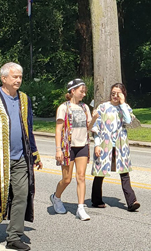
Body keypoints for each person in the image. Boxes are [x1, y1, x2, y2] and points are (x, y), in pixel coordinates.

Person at [0, 62, 42, 251]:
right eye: (14, 77)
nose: (18, 80)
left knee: (21, 194)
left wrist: (34, 153)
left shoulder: (24, 99)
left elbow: (29, 129)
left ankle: (13, 237)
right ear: (4, 79)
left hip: (20, 158)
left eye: (20, 76)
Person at [90, 83, 140, 211]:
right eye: (113, 93)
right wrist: (96, 145)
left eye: (118, 94)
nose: (115, 96)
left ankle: (131, 201)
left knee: (124, 173)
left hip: (120, 145)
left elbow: (128, 121)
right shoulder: (103, 107)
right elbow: (96, 128)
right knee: (100, 173)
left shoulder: (125, 108)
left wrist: (122, 103)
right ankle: (96, 200)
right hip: (104, 144)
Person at [50, 79, 92, 220]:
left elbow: (89, 127)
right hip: (68, 147)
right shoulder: (64, 108)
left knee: (81, 177)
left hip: (82, 145)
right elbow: (58, 130)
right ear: (73, 91)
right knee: (66, 179)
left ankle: (80, 208)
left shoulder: (85, 108)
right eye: (81, 91)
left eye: (84, 91)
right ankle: (56, 197)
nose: (84, 94)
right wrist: (58, 149)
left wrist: (96, 118)